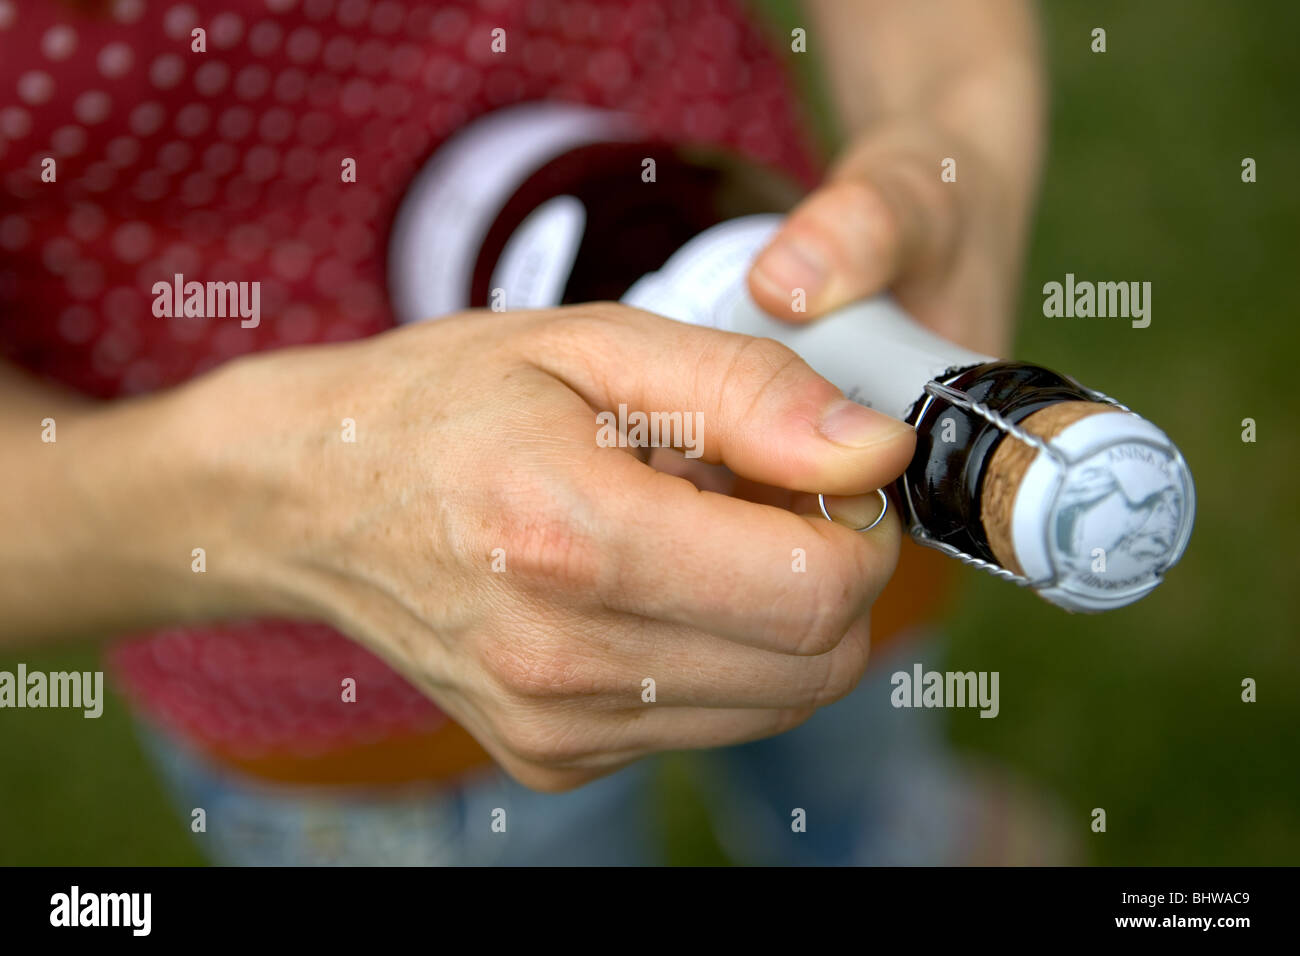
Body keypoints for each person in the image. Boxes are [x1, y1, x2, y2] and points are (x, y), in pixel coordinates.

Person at [0, 0, 1059, 864]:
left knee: (870, 789)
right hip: (351, 669)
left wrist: (954, 118)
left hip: (807, 357)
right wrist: (295, 507)